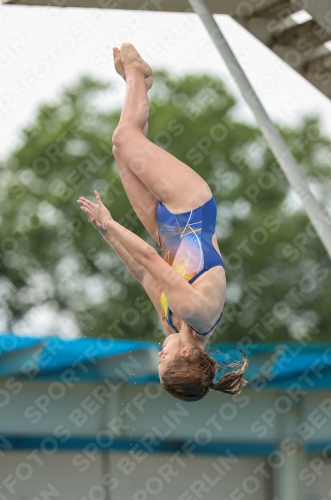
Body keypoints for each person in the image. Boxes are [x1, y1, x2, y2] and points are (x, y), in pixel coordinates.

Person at [78, 43, 248, 402]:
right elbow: (152, 262)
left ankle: (138, 79)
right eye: (164, 359)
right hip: (190, 205)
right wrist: (110, 223)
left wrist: (107, 235)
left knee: (121, 148)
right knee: (126, 139)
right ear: (187, 355)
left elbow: (143, 274)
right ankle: (137, 72)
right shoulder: (194, 312)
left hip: (162, 226)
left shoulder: (171, 322)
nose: (159, 353)